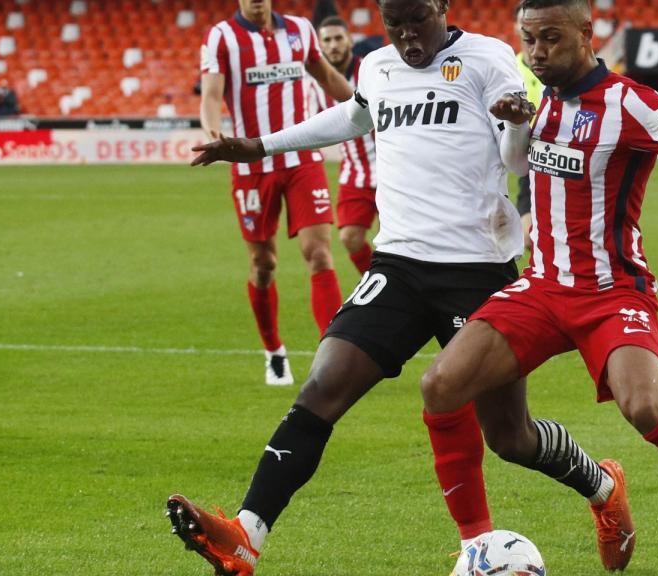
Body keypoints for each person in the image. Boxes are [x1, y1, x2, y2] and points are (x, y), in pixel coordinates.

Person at [167, 1, 622, 574]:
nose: (407, 36)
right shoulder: (378, 66)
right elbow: (354, 118)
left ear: (443, 9)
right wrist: (260, 146)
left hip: (477, 269)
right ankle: (245, 536)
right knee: (322, 386)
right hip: (400, 264)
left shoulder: (488, 58)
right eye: (395, 25)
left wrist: (515, 121)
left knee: (510, 437)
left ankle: (602, 488)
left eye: (418, 21)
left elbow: (517, 160)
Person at [419, 1, 658, 575]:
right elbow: (519, 168)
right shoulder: (539, 103)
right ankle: (477, 548)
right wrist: (517, 121)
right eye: (529, 40)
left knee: (644, 406)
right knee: (441, 384)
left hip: (613, 291)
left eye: (550, 38)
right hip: (542, 286)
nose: (537, 52)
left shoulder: (631, 102)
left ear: (586, 35)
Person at [199, 0, 353, 386]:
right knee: (264, 265)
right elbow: (212, 96)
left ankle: (331, 361)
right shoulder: (222, 37)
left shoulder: (300, 30)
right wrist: (214, 137)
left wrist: (369, 108)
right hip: (252, 166)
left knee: (318, 253)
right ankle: (274, 350)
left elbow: (328, 77)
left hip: (302, 159)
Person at [314, 16, 378, 274]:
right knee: (349, 238)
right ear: (319, 46)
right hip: (355, 174)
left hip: (392, 169)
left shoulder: (371, 71)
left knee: (398, 244)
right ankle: (374, 282)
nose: (333, 45)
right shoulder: (316, 85)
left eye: (338, 38)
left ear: (350, 40)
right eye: (327, 40)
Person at [513, 4, 546, 251]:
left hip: (555, 155)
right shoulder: (507, 70)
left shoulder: (558, 69)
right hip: (522, 159)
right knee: (529, 236)